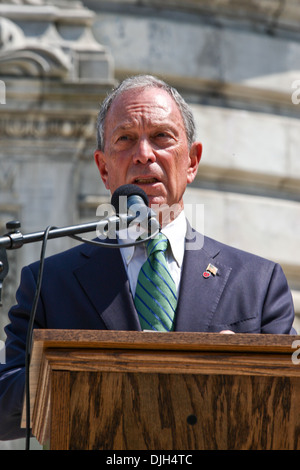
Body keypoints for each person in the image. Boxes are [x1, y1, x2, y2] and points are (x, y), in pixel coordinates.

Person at [0, 75, 296, 441]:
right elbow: (3, 410)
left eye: (161, 137)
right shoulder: (49, 281)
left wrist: (244, 371)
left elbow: (291, 404)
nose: (144, 153)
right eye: (125, 139)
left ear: (192, 161)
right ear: (104, 168)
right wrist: (64, 370)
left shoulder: (257, 281)